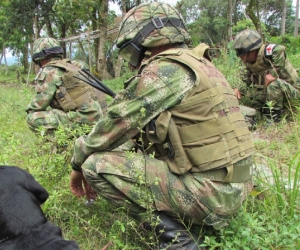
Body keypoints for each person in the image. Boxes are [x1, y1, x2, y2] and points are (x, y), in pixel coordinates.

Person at [69, 3, 255, 249]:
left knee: (95, 166)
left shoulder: (163, 70)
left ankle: (180, 242)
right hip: (239, 186)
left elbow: (110, 128)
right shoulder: (201, 63)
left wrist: (77, 162)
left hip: (215, 196)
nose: (132, 62)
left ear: (144, 39)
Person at [26, 37, 105, 134]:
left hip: (85, 119)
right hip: (101, 116)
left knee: (32, 118)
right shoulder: (75, 65)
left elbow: (38, 105)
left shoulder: (49, 71)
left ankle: (62, 143)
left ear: (39, 59)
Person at [232, 29, 300, 123]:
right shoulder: (249, 62)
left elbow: (279, 49)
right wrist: (238, 89)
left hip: (294, 92)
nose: (239, 56)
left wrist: (273, 74)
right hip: (277, 95)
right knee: (254, 96)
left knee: (274, 84)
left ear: (251, 51)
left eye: (240, 53)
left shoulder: (266, 52)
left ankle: (273, 120)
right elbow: (247, 79)